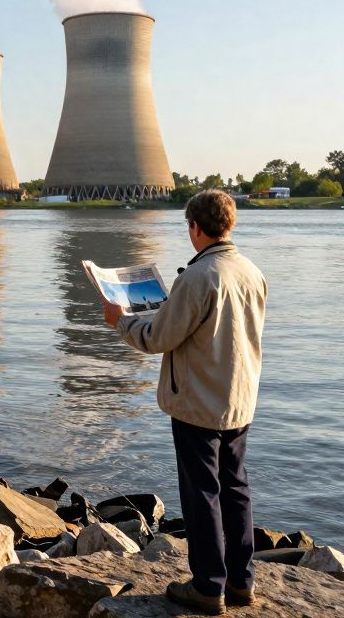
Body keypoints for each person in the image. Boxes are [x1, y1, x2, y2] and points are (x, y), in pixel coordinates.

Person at [101, 189, 267, 616]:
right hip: (238, 398)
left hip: (198, 401)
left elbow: (158, 339)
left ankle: (209, 588)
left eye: (187, 227)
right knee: (236, 490)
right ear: (229, 224)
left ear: (195, 227)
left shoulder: (197, 277)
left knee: (202, 494)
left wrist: (122, 321)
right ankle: (241, 583)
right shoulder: (251, 271)